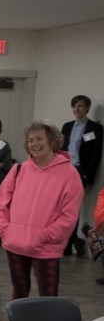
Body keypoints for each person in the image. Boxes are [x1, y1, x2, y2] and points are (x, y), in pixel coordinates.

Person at [0, 121, 83, 300]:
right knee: (19, 293)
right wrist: (5, 230)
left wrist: (46, 235)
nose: (34, 144)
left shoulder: (70, 174)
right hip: (15, 243)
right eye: (30, 140)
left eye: (39, 138)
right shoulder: (19, 169)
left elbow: (69, 215)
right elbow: (0, 204)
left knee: (48, 297)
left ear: (52, 141)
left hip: (47, 246)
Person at [61, 94, 103, 256]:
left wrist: (86, 175)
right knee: (61, 207)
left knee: (72, 208)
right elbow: (60, 149)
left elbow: (95, 155)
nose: (76, 109)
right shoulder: (67, 126)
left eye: (80, 106)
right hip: (63, 171)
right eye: (74, 106)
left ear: (87, 108)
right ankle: (73, 240)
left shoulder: (95, 128)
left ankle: (69, 242)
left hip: (79, 172)